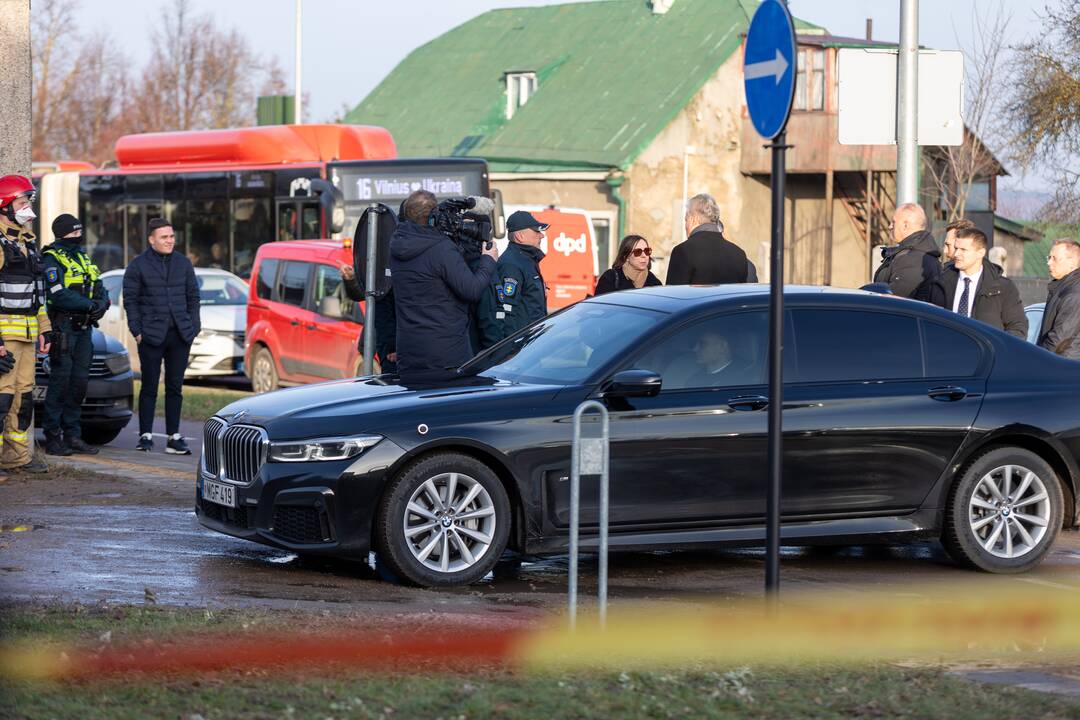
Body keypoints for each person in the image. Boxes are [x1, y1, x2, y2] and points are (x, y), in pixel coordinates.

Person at [389, 190, 498, 383]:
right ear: (434, 217)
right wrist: (488, 261)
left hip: (410, 356)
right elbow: (471, 290)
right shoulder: (440, 248)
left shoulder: (396, 246)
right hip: (446, 356)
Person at [123, 218, 200, 453]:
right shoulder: (137, 266)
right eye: (164, 237)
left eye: (172, 236)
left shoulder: (183, 264)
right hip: (151, 336)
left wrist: (193, 326)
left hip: (180, 334)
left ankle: (173, 436)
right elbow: (130, 300)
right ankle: (145, 435)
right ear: (151, 239)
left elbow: (193, 297)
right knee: (148, 387)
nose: (170, 241)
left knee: (175, 387)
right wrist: (137, 331)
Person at [41, 214, 109, 456]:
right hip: (64, 329)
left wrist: (102, 303)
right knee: (61, 383)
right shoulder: (51, 258)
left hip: (84, 329)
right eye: (73, 233)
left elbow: (99, 285)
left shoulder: (82, 256)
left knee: (79, 384)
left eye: (79, 232)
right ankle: (52, 437)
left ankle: (73, 436)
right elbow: (57, 293)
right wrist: (88, 305)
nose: (78, 237)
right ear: (62, 234)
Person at [0, 175, 52, 476]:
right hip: (5, 337)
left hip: (28, 334)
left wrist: (45, 328)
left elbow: (38, 294)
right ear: (5, 206)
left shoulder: (29, 244)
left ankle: (16, 459)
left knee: (24, 398)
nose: (27, 208)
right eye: (22, 202)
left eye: (29, 202)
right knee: (2, 398)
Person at [936, 227, 1027, 338]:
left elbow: (1018, 329)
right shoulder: (940, 283)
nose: (956, 254)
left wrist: (995, 347)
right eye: (956, 248)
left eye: (963, 250)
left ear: (980, 253)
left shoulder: (1003, 288)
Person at [477, 210, 548, 349]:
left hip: (530, 344)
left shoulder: (525, 261)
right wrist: (511, 351)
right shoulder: (512, 265)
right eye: (536, 231)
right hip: (520, 348)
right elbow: (506, 313)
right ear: (520, 236)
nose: (542, 235)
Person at [665, 193, 748, 285]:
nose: (685, 226)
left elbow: (674, 294)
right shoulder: (738, 253)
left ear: (694, 219)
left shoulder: (683, 251)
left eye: (686, 220)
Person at [874, 203, 944, 303]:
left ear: (905, 225)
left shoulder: (912, 260)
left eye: (893, 222)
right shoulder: (916, 253)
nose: (890, 227)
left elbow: (892, 302)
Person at [340, 263, 398, 374]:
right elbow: (360, 294)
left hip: (397, 347)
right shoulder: (377, 256)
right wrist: (352, 279)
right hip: (376, 345)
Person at [1037, 239, 1080, 359]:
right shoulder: (1061, 288)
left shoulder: (1075, 293)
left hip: (1066, 368)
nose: (1049, 263)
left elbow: (1060, 338)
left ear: (1071, 263)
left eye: (1054, 258)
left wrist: (1037, 358)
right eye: (1049, 257)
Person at [594, 234, 662, 295]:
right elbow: (599, 306)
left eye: (647, 251)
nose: (644, 255)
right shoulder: (610, 278)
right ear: (626, 256)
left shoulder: (655, 284)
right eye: (638, 252)